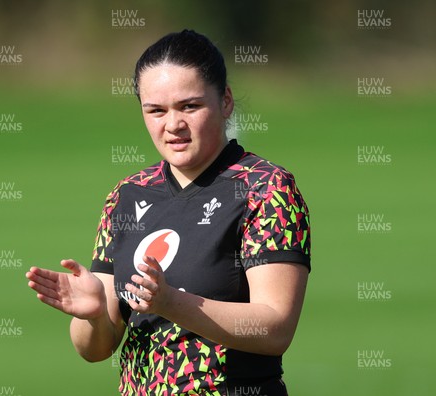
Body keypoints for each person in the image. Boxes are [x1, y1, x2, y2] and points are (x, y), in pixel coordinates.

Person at [26, 30, 310, 396]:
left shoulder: (265, 187)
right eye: (156, 111)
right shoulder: (127, 195)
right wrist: (95, 315)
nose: (173, 125)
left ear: (225, 102)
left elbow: (275, 328)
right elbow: (95, 349)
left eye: (189, 107)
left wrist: (171, 302)